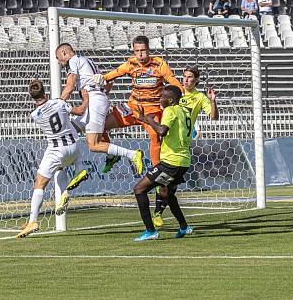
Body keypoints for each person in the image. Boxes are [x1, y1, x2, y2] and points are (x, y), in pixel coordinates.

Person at [55, 43, 144, 181]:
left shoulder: (73, 61)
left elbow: (70, 85)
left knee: (93, 144)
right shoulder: (86, 61)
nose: (59, 63)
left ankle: (132, 154)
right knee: (69, 130)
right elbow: (108, 82)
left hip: (95, 100)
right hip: (95, 100)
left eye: (58, 58)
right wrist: (101, 95)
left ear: (64, 52)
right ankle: (80, 169)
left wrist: (58, 103)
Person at [95, 35, 183, 173]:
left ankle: (157, 175)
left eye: (143, 50)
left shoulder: (159, 64)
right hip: (133, 107)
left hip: (152, 109)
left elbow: (172, 80)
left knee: (155, 137)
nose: (140, 54)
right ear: (133, 51)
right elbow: (115, 73)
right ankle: (112, 156)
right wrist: (103, 77)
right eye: (137, 51)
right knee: (101, 126)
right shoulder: (131, 64)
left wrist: (181, 93)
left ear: (148, 49)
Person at [15, 80, 88, 238]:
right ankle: (69, 186)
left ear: (31, 97)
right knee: (60, 168)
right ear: (45, 93)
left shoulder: (34, 115)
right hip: (74, 147)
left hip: (56, 150)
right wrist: (87, 98)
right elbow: (80, 111)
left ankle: (33, 221)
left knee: (40, 183)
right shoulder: (60, 103)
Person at [151, 66, 218, 227]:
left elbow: (214, 117)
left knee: (168, 184)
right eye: (184, 76)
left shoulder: (199, 98)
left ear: (196, 80)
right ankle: (163, 216)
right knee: (163, 182)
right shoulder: (175, 93)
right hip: (167, 141)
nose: (186, 80)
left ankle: (160, 214)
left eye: (190, 77)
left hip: (181, 145)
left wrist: (212, 101)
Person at [131, 85, 194, 241]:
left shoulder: (170, 110)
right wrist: (145, 118)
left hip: (171, 162)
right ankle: (184, 227)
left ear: (170, 99)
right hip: (183, 161)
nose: (160, 99)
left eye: (162, 97)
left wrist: (150, 121)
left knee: (139, 189)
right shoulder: (185, 111)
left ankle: (150, 231)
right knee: (168, 193)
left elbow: (161, 131)